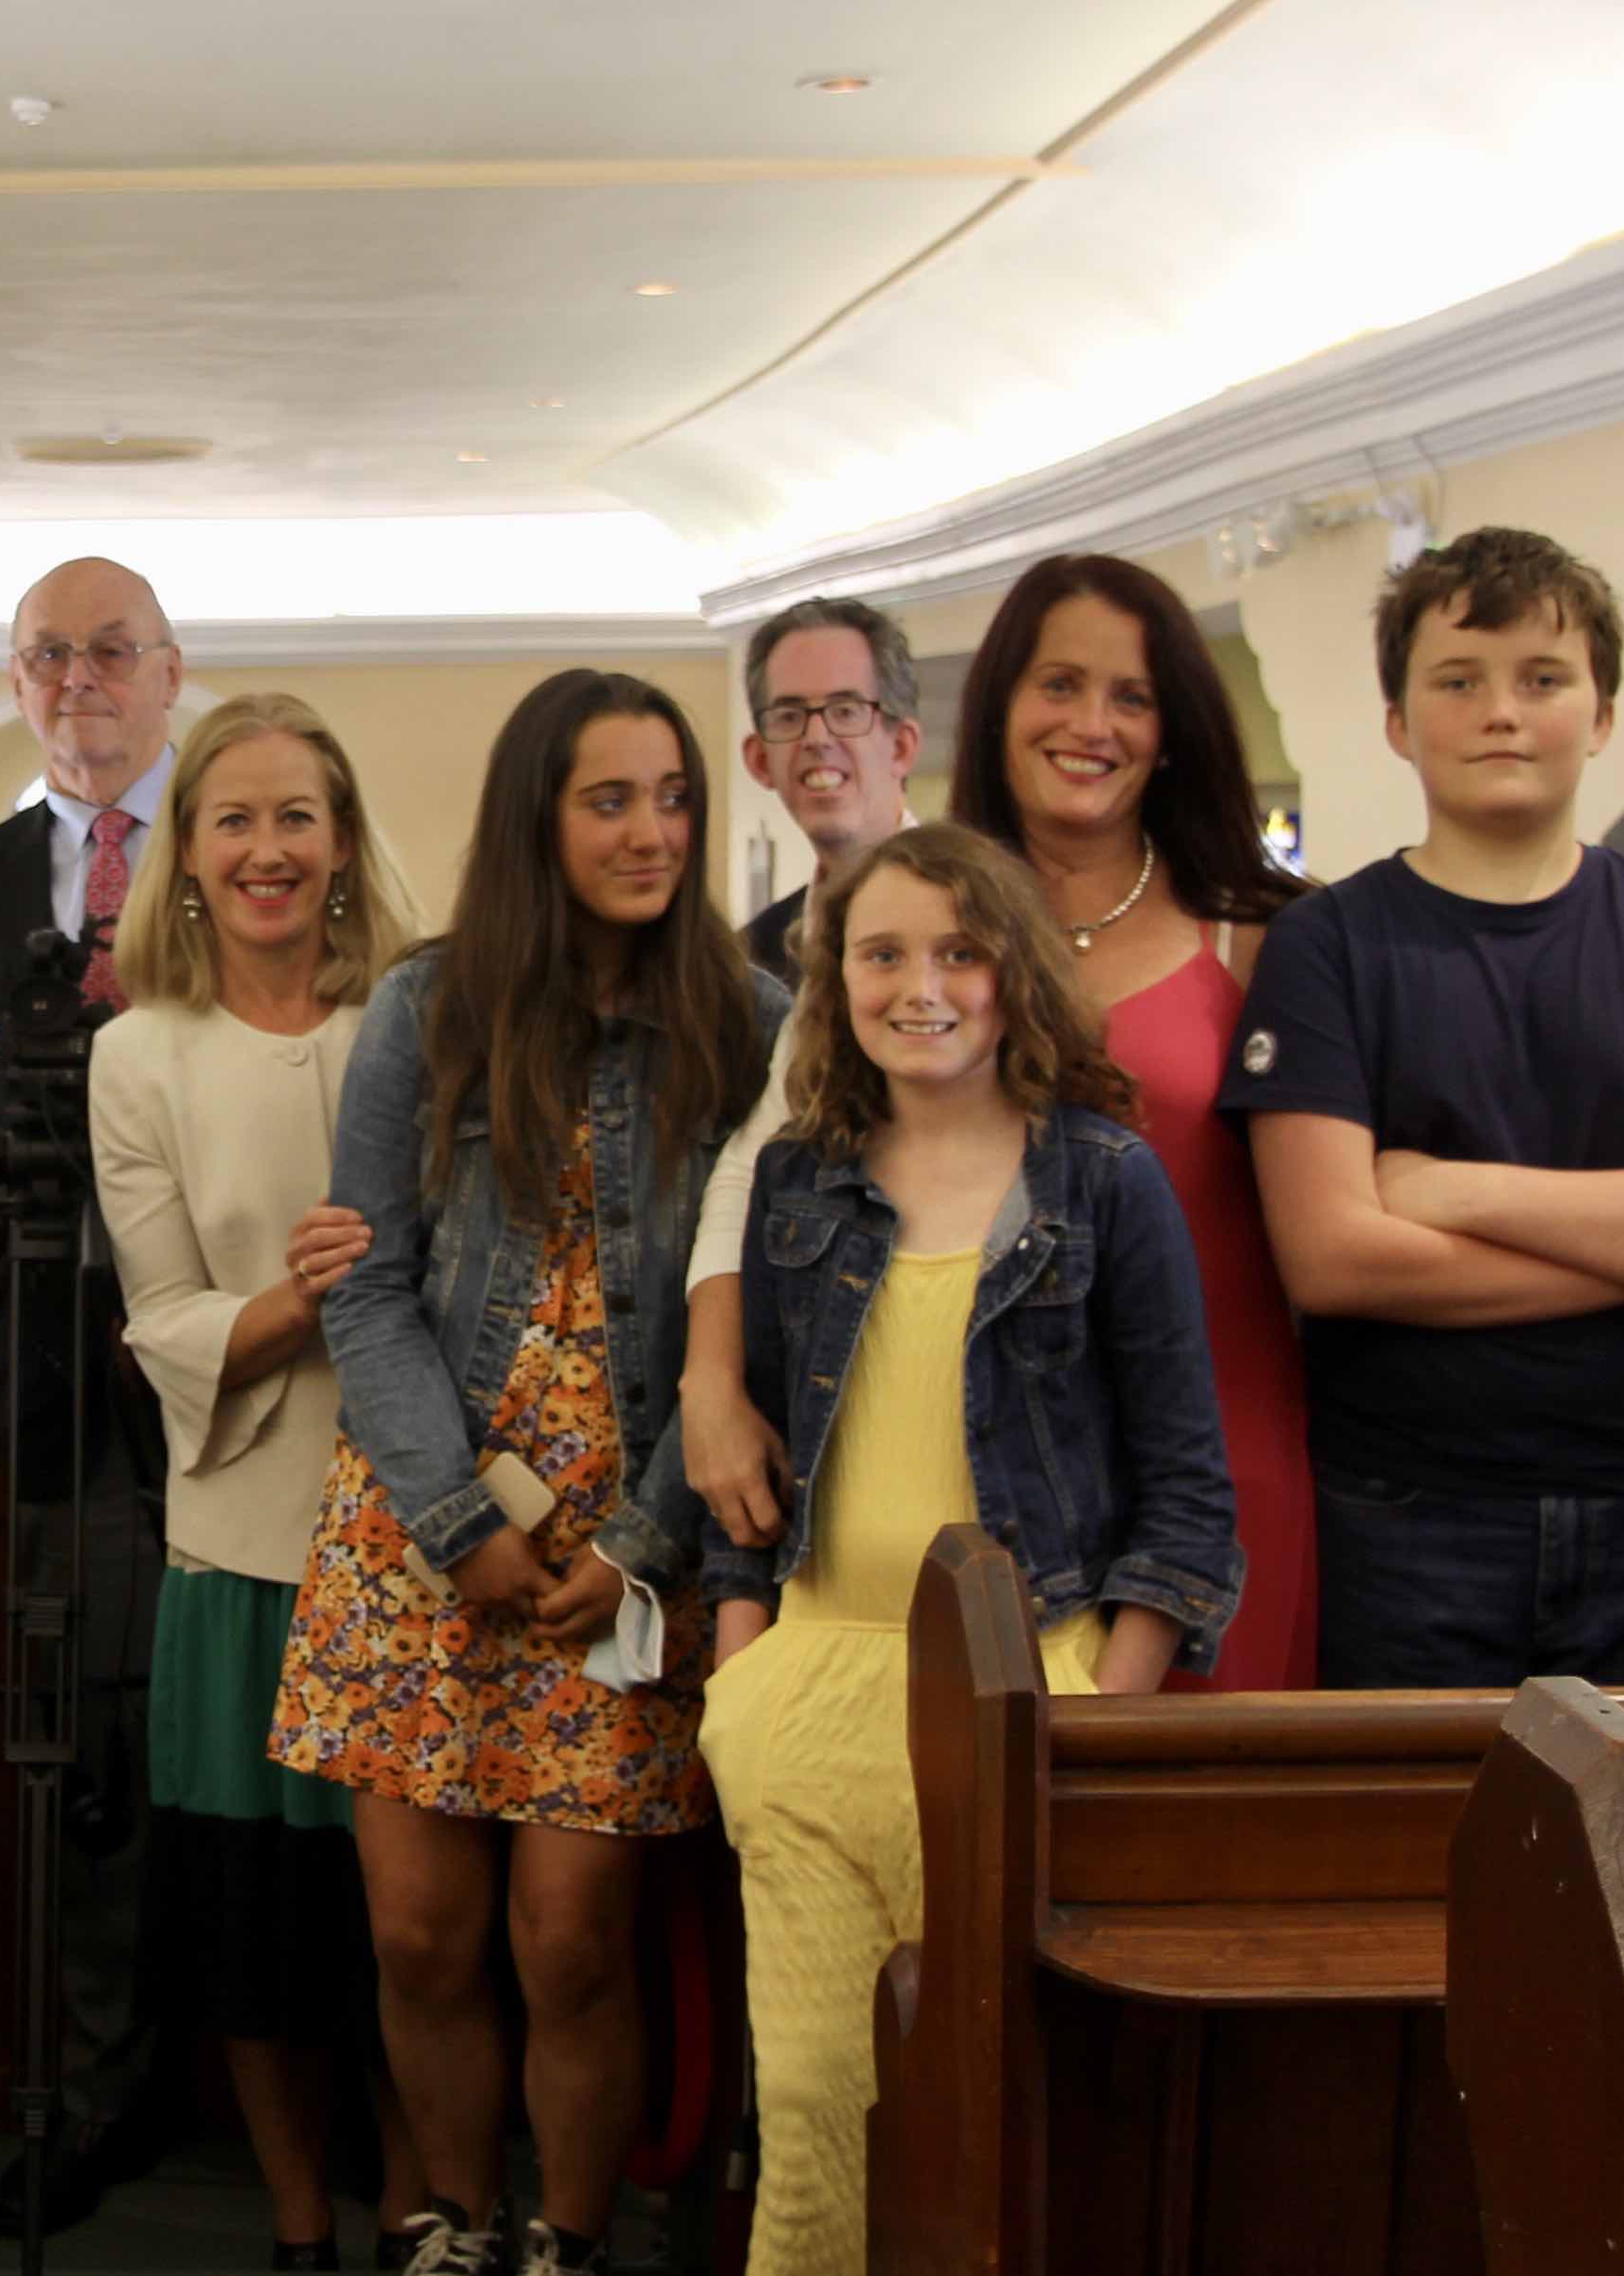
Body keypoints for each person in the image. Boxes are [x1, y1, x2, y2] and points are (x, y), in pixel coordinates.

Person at [274, 669, 784, 2276]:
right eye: (609, 798)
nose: (650, 831)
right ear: (537, 819)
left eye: (673, 797)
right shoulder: (430, 1011)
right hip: (424, 1521)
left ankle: (566, 2238)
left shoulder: (751, 1023)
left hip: (636, 1541)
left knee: (572, 1944)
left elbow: (765, 1317)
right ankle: (452, 2222)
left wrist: (638, 1543)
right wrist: (454, 1523)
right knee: (420, 1935)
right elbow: (362, 1276)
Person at [700, 825, 1239, 2276]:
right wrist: (736, 1685)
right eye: (882, 952)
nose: (919, 984)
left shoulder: (1107, 1183)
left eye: (958, 951)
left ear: (1013, 974)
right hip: (809, 1704)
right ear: (836, 978)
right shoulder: (798, 1178)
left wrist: (1092, 1722)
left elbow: (1189, 1494)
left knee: (994, 2122)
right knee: (812, 2105)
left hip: (1017, 1702)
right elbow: (739, 1480)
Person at [1225, 527, 1624, 1690]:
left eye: (1544, 679)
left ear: (1600, 715)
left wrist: (1448, 1189)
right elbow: (1338, 1260)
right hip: (1408, 1523)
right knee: (1410, 1861)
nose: (1503, 711)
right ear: (1399, 722)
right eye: (1459, 680)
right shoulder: (1328, 947)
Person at [85, 694, 426, 2268]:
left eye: (297, 816)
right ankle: (300, 2223)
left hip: (430, 1533)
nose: (267, 848)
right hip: (239, 1538)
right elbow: (161, 1315)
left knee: (416, 1928)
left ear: (343, 840)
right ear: (191, 856)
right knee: (251, 1923)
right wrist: (317, 1295)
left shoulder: (423, 1021)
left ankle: (429, 2198)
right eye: (234, 820)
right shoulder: (137, 1055)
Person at [0, 554, 185, 2232]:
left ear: (168, 670)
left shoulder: (248, 844)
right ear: (18, 684)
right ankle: (91, 2084)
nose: (80, 679)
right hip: (66, 1369)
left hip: (264, 1366)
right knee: (84, 1738)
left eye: (110, 650)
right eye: (46, 655)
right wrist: (19, 1227)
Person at [943, 555, 1315, 1685]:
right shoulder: (922, 926)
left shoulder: (1259, 936)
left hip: (1226, 1451)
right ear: (1001, 700)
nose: (1091, 723)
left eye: (1132, 696)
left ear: (1173, 729)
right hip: (970, 1457)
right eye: (1059, 683)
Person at [730, 595, 924, 981]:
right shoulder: (748, 963)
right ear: (760, 761)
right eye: (789, 716)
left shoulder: (986, 917)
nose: (816, 738)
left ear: (901, 747)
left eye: (846, 711)